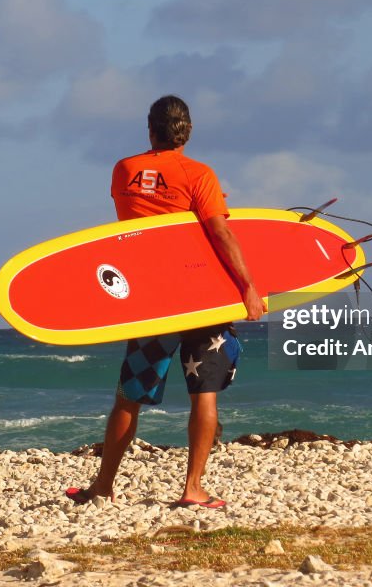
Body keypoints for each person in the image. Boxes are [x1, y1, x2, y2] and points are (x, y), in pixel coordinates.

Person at [66, 95, 265, 509]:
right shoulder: (200, 175)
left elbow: (145, 220)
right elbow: (219, 234)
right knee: (204, 395)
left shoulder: (125, 170)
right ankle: (193, 488)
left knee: (129, 397)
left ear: (150, 129)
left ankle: (103, 486)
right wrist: (247, 286)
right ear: (187, 132)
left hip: (153, 301)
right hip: (204, 297)